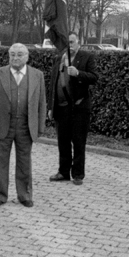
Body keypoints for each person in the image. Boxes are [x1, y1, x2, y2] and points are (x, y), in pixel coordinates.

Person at [0, 43, 46, 207]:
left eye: (19, 54)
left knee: (24, 161)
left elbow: (42, 103)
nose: (15, 57)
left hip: (26, 125)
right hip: (3, 123)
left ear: (27, 57)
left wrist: (40, 126)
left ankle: (25, 195)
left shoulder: (37, 75)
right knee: (0, 161)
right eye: (12, 54)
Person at [48, 32, 99, 185]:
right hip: (61, 107)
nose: (69, 45)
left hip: (79, 107)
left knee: (78, 141)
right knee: (62, 141)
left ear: (78, 42)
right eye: (67, 43)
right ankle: (63, 172)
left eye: (71, 42)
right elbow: (53, 83)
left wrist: (78, 73)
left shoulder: (86, 57)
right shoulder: (59, 58)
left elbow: (95, 77)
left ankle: (77, 174)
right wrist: (51, 107)